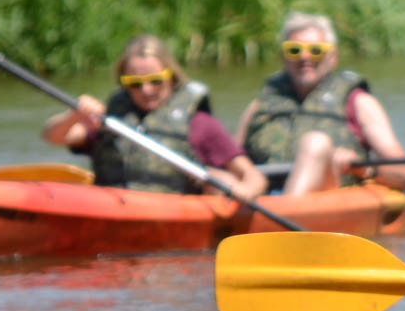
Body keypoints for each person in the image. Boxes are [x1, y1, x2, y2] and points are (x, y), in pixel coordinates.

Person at [42, 35, 267, 201]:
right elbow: (52, 136)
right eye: (135, 83)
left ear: (171, 76)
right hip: (110, 205)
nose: (146, 90)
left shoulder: (199, 123)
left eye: (156, 80)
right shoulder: (111, 119)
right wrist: (75, 115)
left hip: (169, 213)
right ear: (124, 82)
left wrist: (243, 193)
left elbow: (254, 177)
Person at [234, 12, 405, 196]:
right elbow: (227, 160)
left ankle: (288, 211)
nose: (305, 57)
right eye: (294, 50)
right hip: (264, 197)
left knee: (315, 144)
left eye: (315, 50)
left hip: (326, 197)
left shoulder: (359, 103)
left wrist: (364, 169)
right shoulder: (259, 106)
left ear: (332, 57)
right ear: (283, 56)